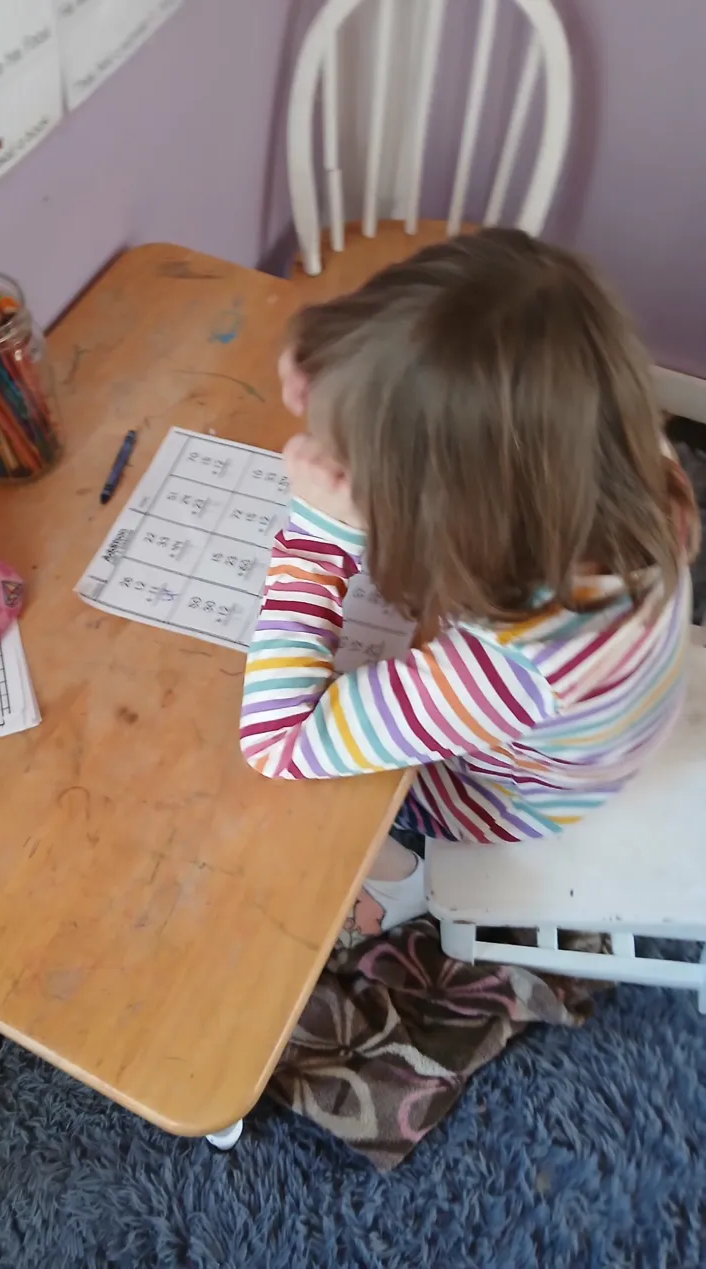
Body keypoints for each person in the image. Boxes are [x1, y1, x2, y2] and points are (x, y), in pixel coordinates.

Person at [240, 229, 699, 941]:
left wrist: (317, 533)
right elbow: (462, 370)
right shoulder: (629, 457)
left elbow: (278, 741)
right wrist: (341, 363)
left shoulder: (513, 667)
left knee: (274, 798)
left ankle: (400, 887)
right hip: (614, 719)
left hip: (504, 798)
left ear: (452, 516)